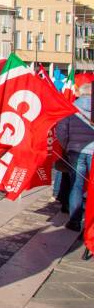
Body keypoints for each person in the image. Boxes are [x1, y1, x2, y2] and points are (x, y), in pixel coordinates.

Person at [56, 83, 94, 232]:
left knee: (76, 185)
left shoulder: (71, 108)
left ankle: (75, 221)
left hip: (75, 150)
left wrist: (66, 146)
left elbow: (61, 130)